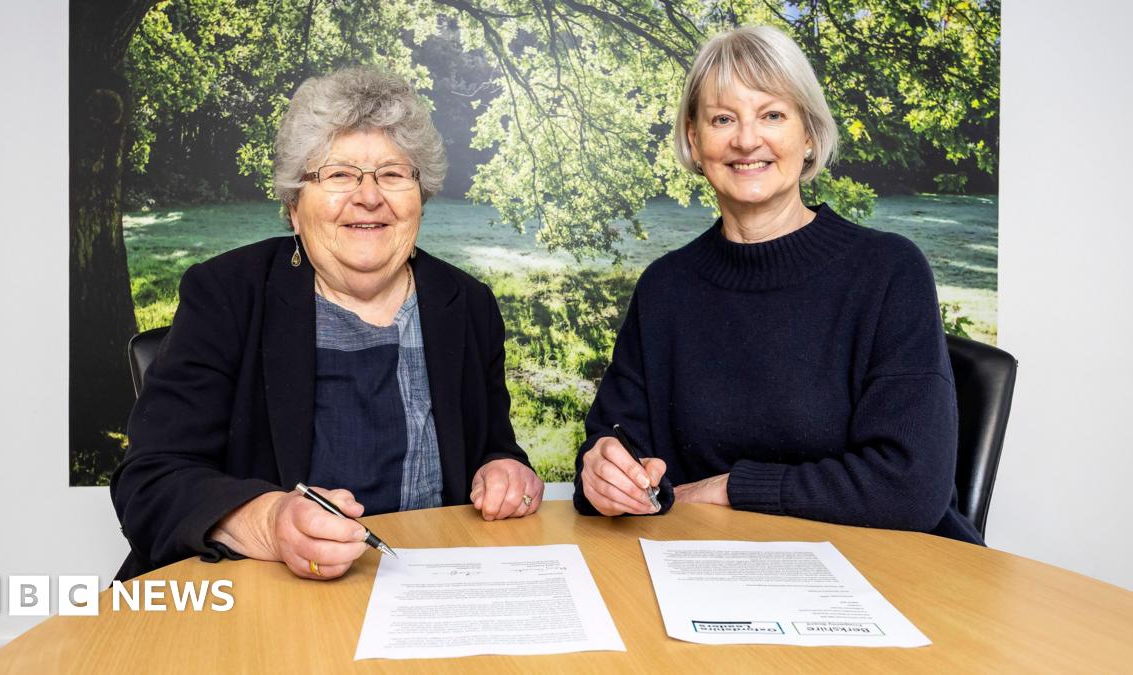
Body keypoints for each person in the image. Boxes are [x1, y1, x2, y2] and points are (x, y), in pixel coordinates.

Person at [112, 66, 544, 581]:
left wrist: (507, 471)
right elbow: (151, 481)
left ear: (420, 197)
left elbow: (491, 445)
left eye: (392, 173)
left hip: (422, 589)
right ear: (295, 206)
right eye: (339, 175)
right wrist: (270, 522)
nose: (369, 197)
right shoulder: (226, 294)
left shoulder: (466, 304)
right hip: (255, 599)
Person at [574, 26, 981, 544]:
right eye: (723, 119)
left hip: (888, 574)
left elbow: (909, 488)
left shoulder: (888, 272)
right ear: (695, 141)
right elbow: (616, 447)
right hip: (712, 571)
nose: (747, 140)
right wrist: (602, 474)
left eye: (772, 115)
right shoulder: (665, 288)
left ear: (808, 134)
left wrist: (731, 488)